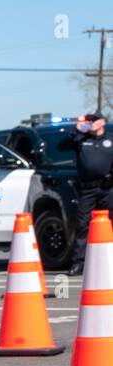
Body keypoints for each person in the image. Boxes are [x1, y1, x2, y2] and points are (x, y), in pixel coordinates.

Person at [58, 112, 113, 275]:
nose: (91, 124)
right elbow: (61, 147)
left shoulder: (110, 139)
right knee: (82, 225)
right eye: (89, 121)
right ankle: (79, 262)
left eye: (94, 121)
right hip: (87, 189)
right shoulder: (81, 139)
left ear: (102, 122)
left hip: (108, 188)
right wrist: (77, 132)